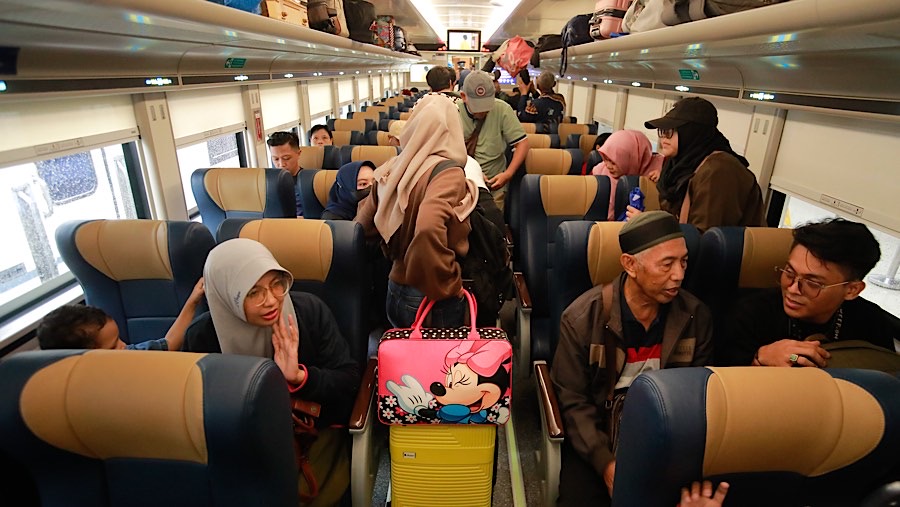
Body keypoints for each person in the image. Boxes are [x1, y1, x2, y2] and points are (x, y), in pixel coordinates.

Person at [551, 211, 714, 507]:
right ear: (630, 265)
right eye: (667, 264)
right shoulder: (582, 319)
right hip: (599, 436)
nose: (679, 275)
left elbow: (698, 400)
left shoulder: (695, 317)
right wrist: (605, 463)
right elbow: (574, 403)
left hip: (666, 441)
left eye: (684, 262)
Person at [183, 238, 359, 506]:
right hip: (238, 445)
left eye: (277, 283)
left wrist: (300, 377)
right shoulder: (201, 338)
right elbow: (193, 415)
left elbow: (349, 379)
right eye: (253, 292)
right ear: (226, 296)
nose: (272, 301)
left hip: (309, 435)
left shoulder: (309, 312)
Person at [355, 93, 478, 328]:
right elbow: (428, 228)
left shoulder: (393, 167)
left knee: (404, 351)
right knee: (440, 354)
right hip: (430, 295)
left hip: (395, 288)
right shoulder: (448, 173)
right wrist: (448, 282)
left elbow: (363, 227)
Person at [719, 218, 900, 367]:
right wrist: (759, 357)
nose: (793, 289)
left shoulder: (872, 322)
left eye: (813, 283)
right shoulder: (749, 314)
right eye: (789, 273)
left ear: (852, 290)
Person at [641, 97, 765, 232]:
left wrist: (650, 228)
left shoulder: (718, 170)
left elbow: (702, 235)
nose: (663, 137)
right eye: (662, 131)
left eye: (670, 131)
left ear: (690, 132)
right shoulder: (680, 165)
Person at [37, 278, 205, 351]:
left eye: (118, 339)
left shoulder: (128, 355)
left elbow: (169, 343)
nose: (124, 345)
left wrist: (192, 300)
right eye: (113, 346)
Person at [458, 70, 529, 211]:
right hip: (462, 183)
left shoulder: (502, 109)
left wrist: (508, 174)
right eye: (477, 107)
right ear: (463, 97)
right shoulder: (453, 111)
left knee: (494, 221)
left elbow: (522, 143)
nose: (482, 111)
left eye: (486, 106)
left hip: (493, 184)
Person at [591, 130, 663, 220]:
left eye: (613, 162)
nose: (608, 166)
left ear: (631, 158)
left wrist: (662, 179)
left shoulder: (660, 170)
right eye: (606, 159)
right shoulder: (600, 172)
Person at [267, 131, 304, 216]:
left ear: (298, 154)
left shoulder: (308, 183)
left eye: (286, 158)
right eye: (276, 159)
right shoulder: (268, 184)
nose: (281, 164)